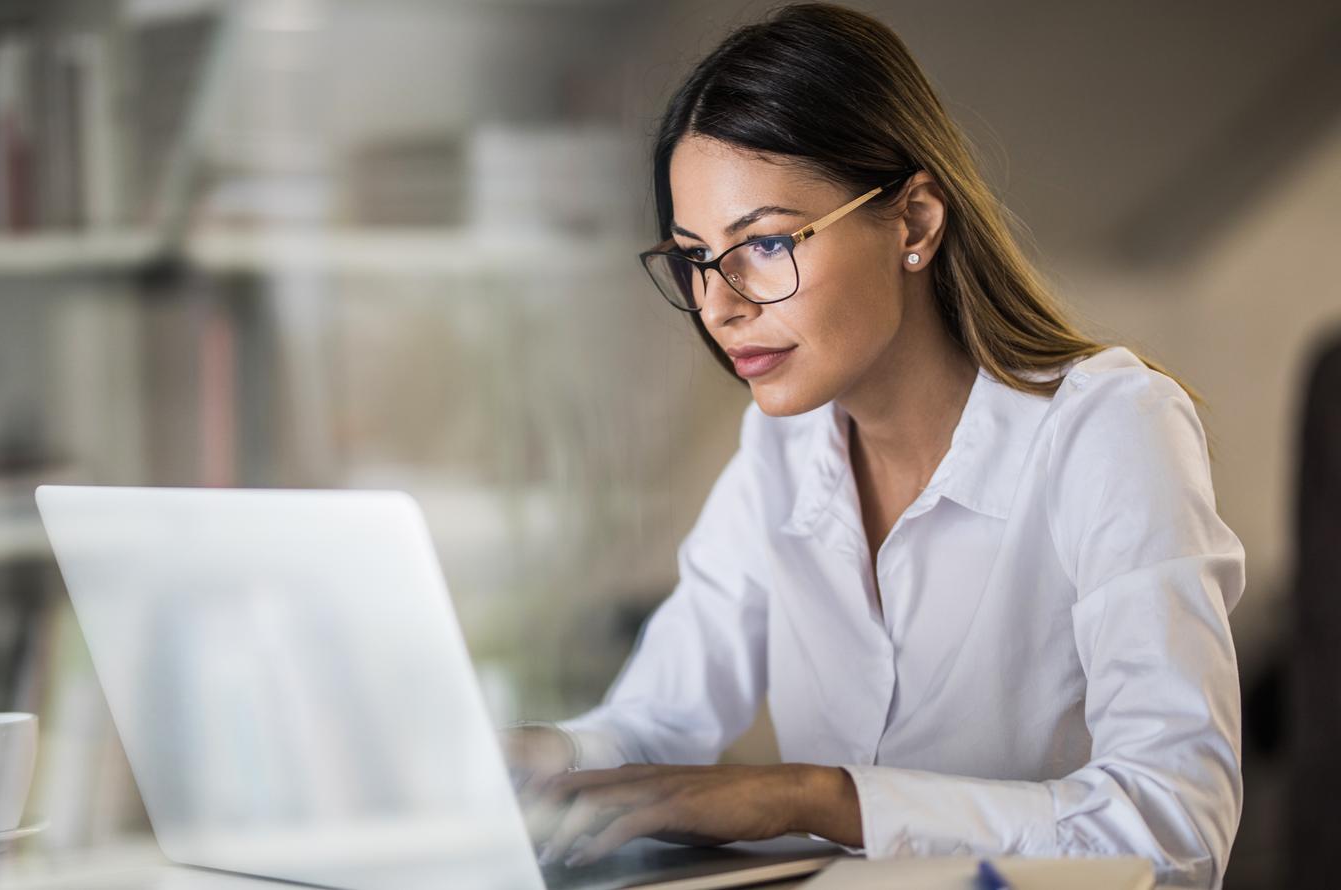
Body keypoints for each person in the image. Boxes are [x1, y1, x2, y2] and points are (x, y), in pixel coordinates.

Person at [499, 4, 1244, 889]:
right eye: (697, 257)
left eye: (766, 244)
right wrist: (539, 755)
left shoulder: (1109, 427)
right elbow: (662, 720)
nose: (720, 305)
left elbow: (1177, 827)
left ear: (916, 224)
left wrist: (818, 798)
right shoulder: (782, 452)